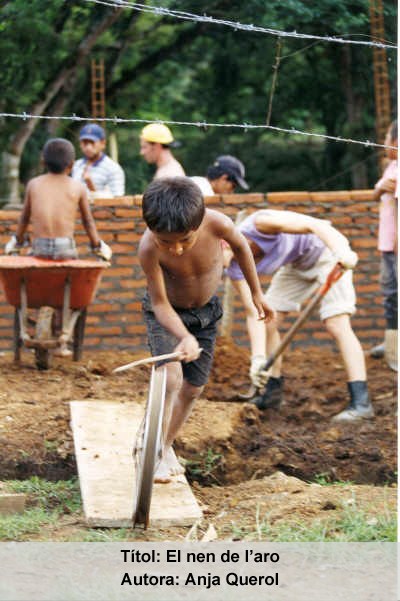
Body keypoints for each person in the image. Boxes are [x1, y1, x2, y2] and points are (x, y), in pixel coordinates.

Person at [139, 177, 273, 482]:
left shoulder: (218, 224)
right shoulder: (148, 248)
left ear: (199, 224)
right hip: (168, 316)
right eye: (165, 241)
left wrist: (257, 292)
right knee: (170, 377)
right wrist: (183, 336)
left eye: (184, 240)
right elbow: (159, 304)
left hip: (206, 315)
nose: (174, 249)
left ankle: (165, 444)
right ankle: (152, 452)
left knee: (193, 388)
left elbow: (241, 247)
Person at [225, 209, 374, 423]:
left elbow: (316, 225)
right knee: (269, 320)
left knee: (336, 323)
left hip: (329, 256)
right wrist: (257, 358)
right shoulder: (233, 268)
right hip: (298, 265)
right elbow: (254, 312)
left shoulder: (259, 224)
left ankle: (361, 403)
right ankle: (272, 393)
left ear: (222, 243)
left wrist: (341, 251)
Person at [5, 138, 112, 355]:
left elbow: (24, 219)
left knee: (37, 283)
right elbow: (88, 222)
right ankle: (63, 341)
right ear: (71, 164)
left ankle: (30, 331)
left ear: (43, 161)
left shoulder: (33, 184)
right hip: (66, 250)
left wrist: (16, 242)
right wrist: (97, 245)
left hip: (39, 249)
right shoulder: (78, 187)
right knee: (67, 288)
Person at [369, 120, 397, 371]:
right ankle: (392, 343)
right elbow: (376, 194)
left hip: (396, 246)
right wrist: (381, 187)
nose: (384, 143)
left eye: (387, 138)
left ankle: (395, 349)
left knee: (395, 294)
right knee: (390, 295)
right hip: (388, 245)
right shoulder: (392, 167)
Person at [72, 124, 125, 198]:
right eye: (85, 143)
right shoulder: (76, 165)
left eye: (92, 142)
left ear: (103, 143)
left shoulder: (113, 169)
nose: (88, 147)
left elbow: (118, 201)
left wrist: (91, 186)